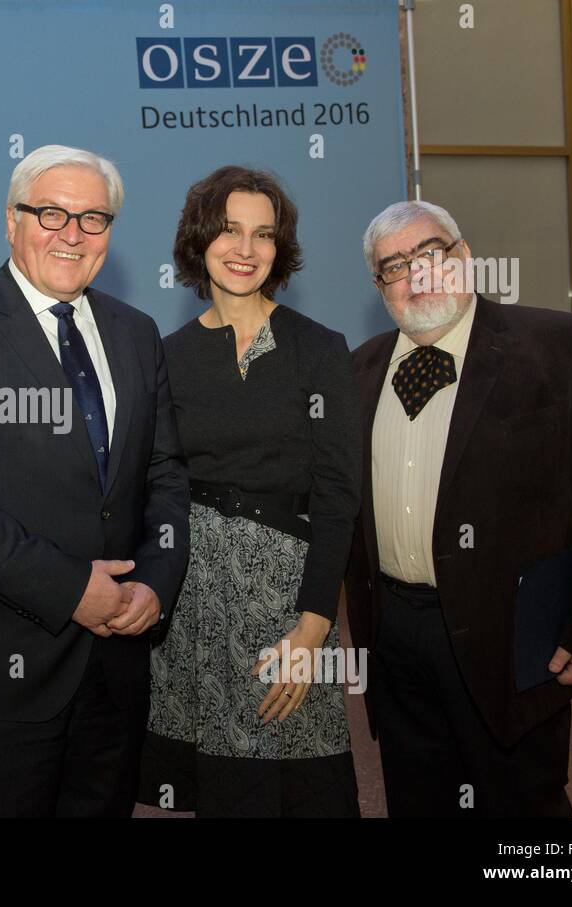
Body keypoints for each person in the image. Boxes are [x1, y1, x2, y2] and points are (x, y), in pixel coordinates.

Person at [0, 145, 191, 817]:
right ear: (10, 221)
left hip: (114, 671)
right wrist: (70, 587)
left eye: (93, 218)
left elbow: (165, 472)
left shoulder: (137, 332)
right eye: (51, 212)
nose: (72, 233)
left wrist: (156, 578)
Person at [344, 200, 572, 816]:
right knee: (419, 796)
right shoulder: (360, 370)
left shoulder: (557, 347)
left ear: (465, 257)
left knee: (521, 806)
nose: (415, 274)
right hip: (396, 633)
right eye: (393, 266)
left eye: (429, 253)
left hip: (511, 633)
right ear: (380, 287)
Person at [139, 166, 363, 816]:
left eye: (263, 234)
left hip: (287, 603)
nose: (245, 248)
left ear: (280, 247)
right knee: (219, 790)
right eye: (230, 230)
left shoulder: (320, 350)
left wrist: (314, 626)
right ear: (199, 240)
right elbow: (157, 484)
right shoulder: (167, 354)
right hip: (193, 604)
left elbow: (338, 494)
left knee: (298, 783)